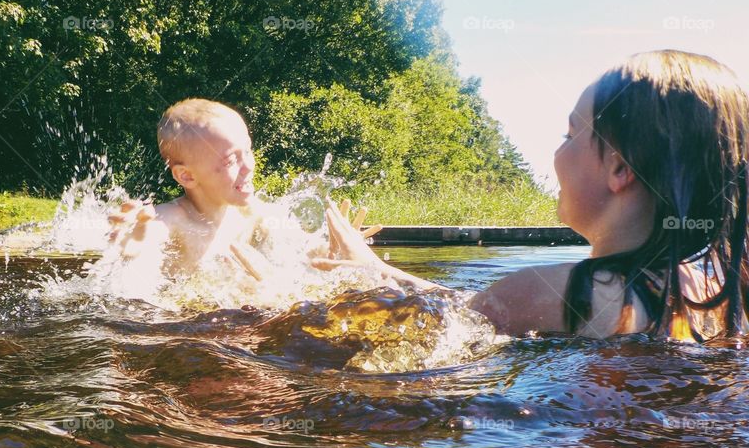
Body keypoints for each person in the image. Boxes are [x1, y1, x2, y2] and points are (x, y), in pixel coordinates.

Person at [314, 50, 749, 341]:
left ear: (619, 168)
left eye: (570, 134)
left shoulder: (563, 291)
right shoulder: (708, 289)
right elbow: (464, 303)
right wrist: (372, 267)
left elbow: (431, 321)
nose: (557, 153)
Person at [108, 97, 380, 283]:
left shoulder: (257, 214)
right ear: (187, 176)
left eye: (247, 151)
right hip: (191, 335)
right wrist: (134, 248)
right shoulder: (174, 220)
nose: (248, 166)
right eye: (230, 160)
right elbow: (151, 234)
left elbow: (301, 255)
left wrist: (334, 251)